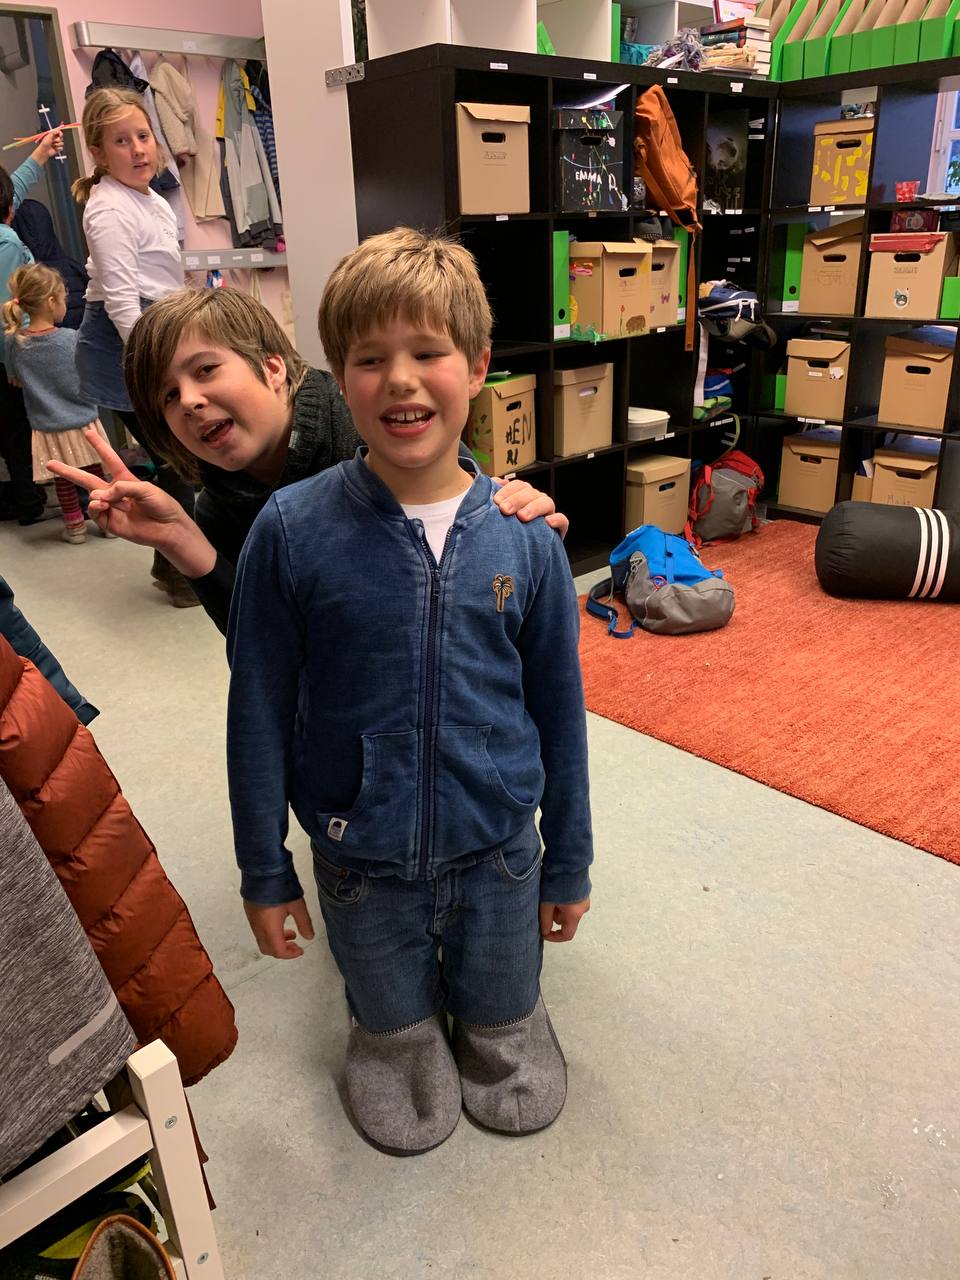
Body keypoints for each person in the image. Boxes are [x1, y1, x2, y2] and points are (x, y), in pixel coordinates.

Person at [225, 227, 593, 1156]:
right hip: (361, 857)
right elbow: (257, 708)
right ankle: (394, 1036)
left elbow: (560, 711)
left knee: (504, 1017)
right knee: (393, 1031)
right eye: (368, 358)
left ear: (478, 367)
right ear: (335, 379)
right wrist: (264, 870)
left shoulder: (527, 537)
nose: (400, 380)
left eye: (428, 352)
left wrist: (570, 861)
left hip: (499, 851)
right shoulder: (291, 529)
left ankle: (500, 1024)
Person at [48, 287, 566, 633]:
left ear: (273, 368)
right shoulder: (221, 505)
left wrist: (517, 530)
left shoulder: (363, 428)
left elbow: (464, 514)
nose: (188, 400)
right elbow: (260, 652)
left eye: (205, 370)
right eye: (167, 395)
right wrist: (181, 540)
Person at [71, 88, 198, 605]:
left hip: (153, 328)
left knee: (178, 458)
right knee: (177, 459)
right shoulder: (107, 209)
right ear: (99, 154)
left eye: (143, 136)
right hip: (124, 343)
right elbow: (123, 303)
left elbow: (164, 275)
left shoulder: (152, 200)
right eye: (121, 141)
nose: (139, 149)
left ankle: (173, 564)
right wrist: (158, 368)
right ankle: (184, 571)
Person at [3, 263, 112, 545]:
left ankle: (74, 527)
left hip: (47, 424)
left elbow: (15, 379)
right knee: (95, 474)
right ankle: (107, 521)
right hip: (84, 420)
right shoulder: (72, 339)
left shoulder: (15, 343)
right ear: (51, 301)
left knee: (63, 479)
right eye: (64, 298)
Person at [0, 128, 64, 524]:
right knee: (16, 430)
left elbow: (16, 188)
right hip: (7, 360)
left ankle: (27, 498)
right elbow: (6, 313)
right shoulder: (5, 243)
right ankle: (28, 503)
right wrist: (15, 366)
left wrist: (41, 153)